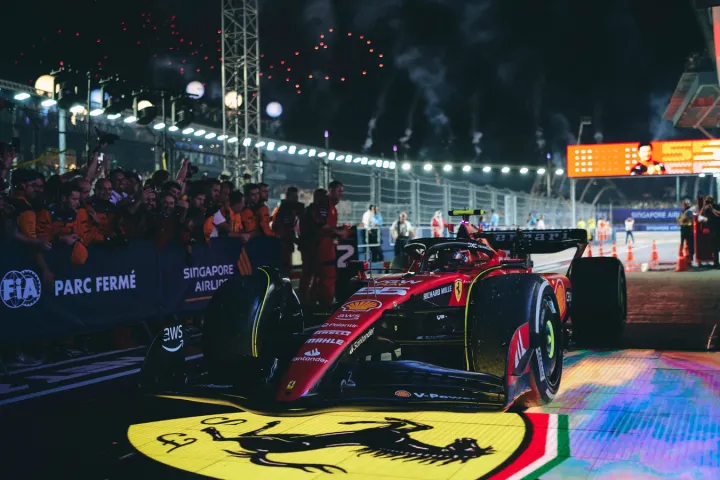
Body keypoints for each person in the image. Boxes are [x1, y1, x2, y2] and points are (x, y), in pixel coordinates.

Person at [272, 187, 303, 274]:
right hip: (283, 243)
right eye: (294, 197)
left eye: (296, 197)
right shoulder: (285, 210)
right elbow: (285, 230)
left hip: (286, 242)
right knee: (285, 268)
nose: (296, 199)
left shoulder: (286, 208)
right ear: (288, 197)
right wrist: (298, 241)